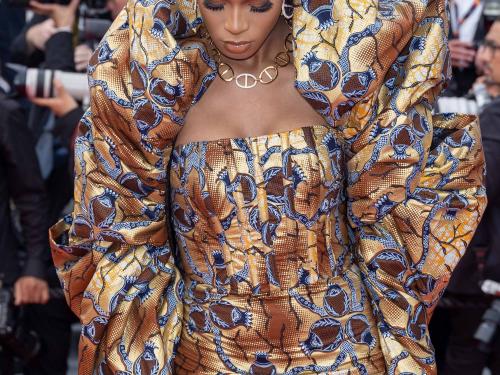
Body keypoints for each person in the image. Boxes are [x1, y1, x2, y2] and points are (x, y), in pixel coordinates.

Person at [49, 0, 486, 374]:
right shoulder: (156, 89)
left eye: (258, 5)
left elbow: (392, 207)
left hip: (345, 346)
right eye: (215, 4)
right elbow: (122, 228)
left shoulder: (345, 80)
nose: (235, 25)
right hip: (208, 351)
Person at [444, 17, 500, 375]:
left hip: (480, 275)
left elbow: (475, 186)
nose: (483, 55)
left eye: (493, 48)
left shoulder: (495, 118)